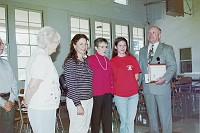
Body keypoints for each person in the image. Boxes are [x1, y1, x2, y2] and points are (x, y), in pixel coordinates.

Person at [138, 26, 177, 133]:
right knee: (152, 118)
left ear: (159, 36)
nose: (150, 34)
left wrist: (164, 78)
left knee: (165, 117)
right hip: (147, 89)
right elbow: (140, 69)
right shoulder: (142, 50)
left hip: (162, 87)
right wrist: (136, 86)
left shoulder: (166, 48)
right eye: (149, 32)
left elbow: (172, 66)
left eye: (154, 32)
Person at [24, 26, 61, 133]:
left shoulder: (43, 56)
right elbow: (33, 84)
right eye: (56, 44)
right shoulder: (41, 57)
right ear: (50, 43)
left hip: (45, 106)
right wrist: (26, 100)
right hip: (41, 107)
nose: (56, 48)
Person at [110, 37, 141, 133]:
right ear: (115, 47)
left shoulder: (132, 59)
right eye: (120, 45)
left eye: (124, 45)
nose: (123, 47)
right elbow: (111, 79)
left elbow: (137, 76)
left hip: (133, 95)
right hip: (120, 96)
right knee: (124, 120)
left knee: (130, 120)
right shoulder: (111, 62)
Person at [63, 34, 93, 133]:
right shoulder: (71, 62)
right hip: (78, 101)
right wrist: (78, 104)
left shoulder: (85, 61)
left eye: (85, 44)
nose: (84, 47)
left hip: (88, 99)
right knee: (77, 129)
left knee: (84, 128)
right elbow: (71, 85)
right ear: (74, 45)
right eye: (81, 44)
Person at [87, 38, 113, 133]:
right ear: (96, 48)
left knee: (107, 119)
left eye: (106, 47)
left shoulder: (107, 60)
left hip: (108, 93)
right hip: (96, 94)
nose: (104, 49)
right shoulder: (90, 59)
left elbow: (110, 77)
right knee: (95, 119)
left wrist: (111, 91)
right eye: (102, 47)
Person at [0, 37, 18, 133]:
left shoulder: (6, 64)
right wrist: (3, 103)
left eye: (2, 43)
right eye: (0, 43)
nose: (2, 45)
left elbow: (14, 84)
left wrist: (11, 100)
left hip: (9, 102)